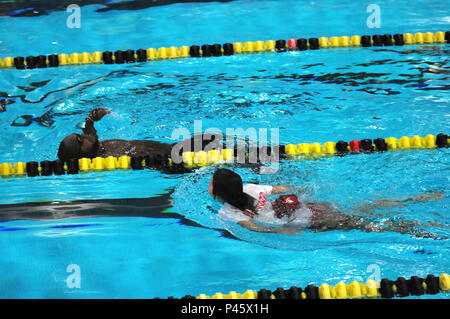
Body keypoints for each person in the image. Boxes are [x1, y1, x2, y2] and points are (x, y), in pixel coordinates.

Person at [208, 168, 446, 238]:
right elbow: (284, 189)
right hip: (312, 206)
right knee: (367, 207)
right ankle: (416, 199)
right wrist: (305, 188)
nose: (208, 185)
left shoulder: (227, 213)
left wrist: (284, 231)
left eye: (211, 183)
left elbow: (256, 228)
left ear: (219, 194)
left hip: (309, 220)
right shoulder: (251, 187)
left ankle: (425, 228)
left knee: (366, 224)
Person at [56, 108, 222, 165]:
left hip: (171, 148)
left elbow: (90, 122)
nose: (84, 136)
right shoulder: (108, 158)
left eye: (79, 135)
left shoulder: (91, 143)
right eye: (80, 140)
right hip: (167, 159)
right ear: (80, 156)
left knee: (214, 138)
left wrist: (96, 115)